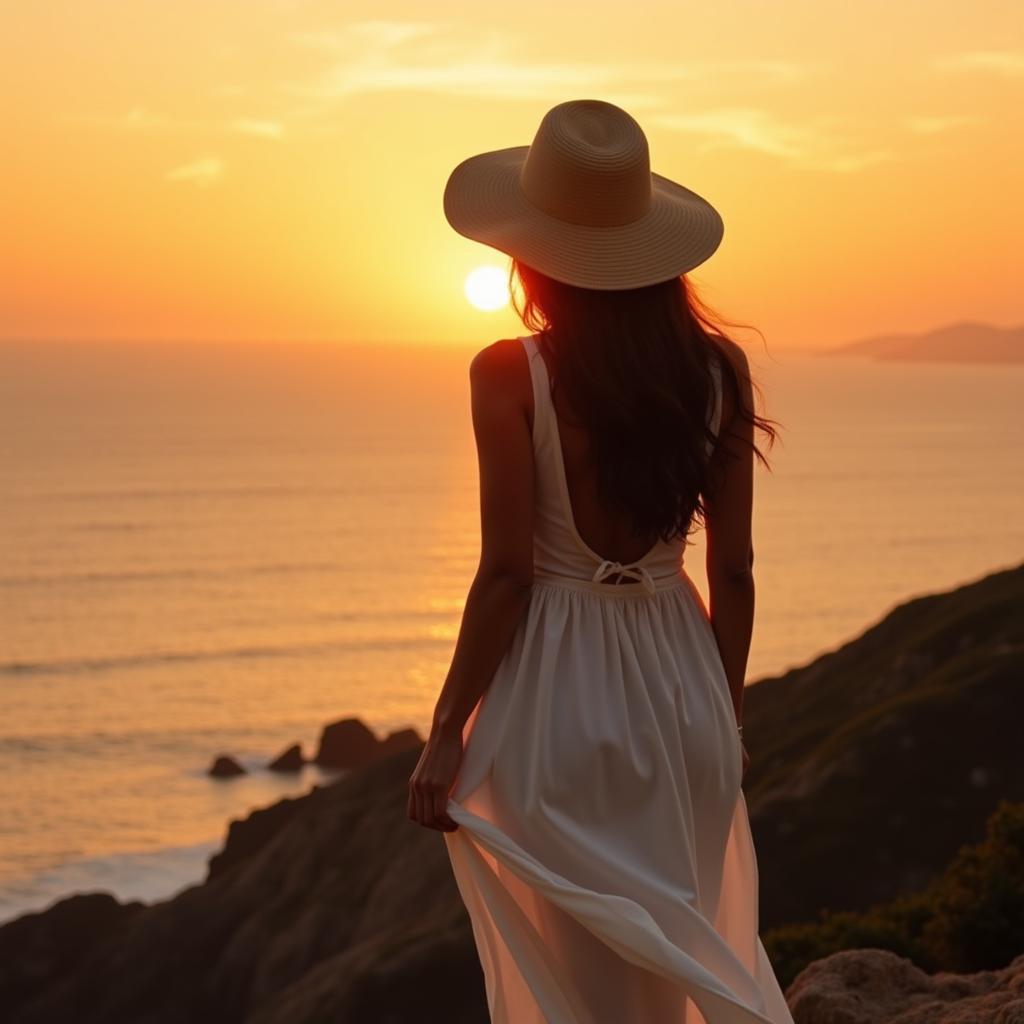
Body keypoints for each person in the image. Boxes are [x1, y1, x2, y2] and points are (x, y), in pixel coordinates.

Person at [407, 98, 794, 1023]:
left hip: (558, 701)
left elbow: (508, 572)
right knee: (675, 962)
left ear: (531, 250)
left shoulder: (509, 374)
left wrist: (444, 730)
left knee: (591, 982)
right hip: (683, 693)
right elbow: (733, 572)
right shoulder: (717, 372)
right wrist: (721, 710)